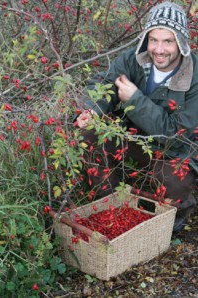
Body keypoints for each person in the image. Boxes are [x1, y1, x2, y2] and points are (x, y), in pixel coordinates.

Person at [76, 1, 198, 231]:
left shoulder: (194, 77)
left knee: (172, 179)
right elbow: (104, 84)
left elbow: (175, 133)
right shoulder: (133, 59)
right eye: (154, 39)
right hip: (137, 138)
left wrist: (134, 99)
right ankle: (108, 207)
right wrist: (93, 108)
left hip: (177, 150)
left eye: (168, 41)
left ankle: (175, 219)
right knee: (92, 134)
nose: (159, 50)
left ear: (181, 42)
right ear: (146, 39)